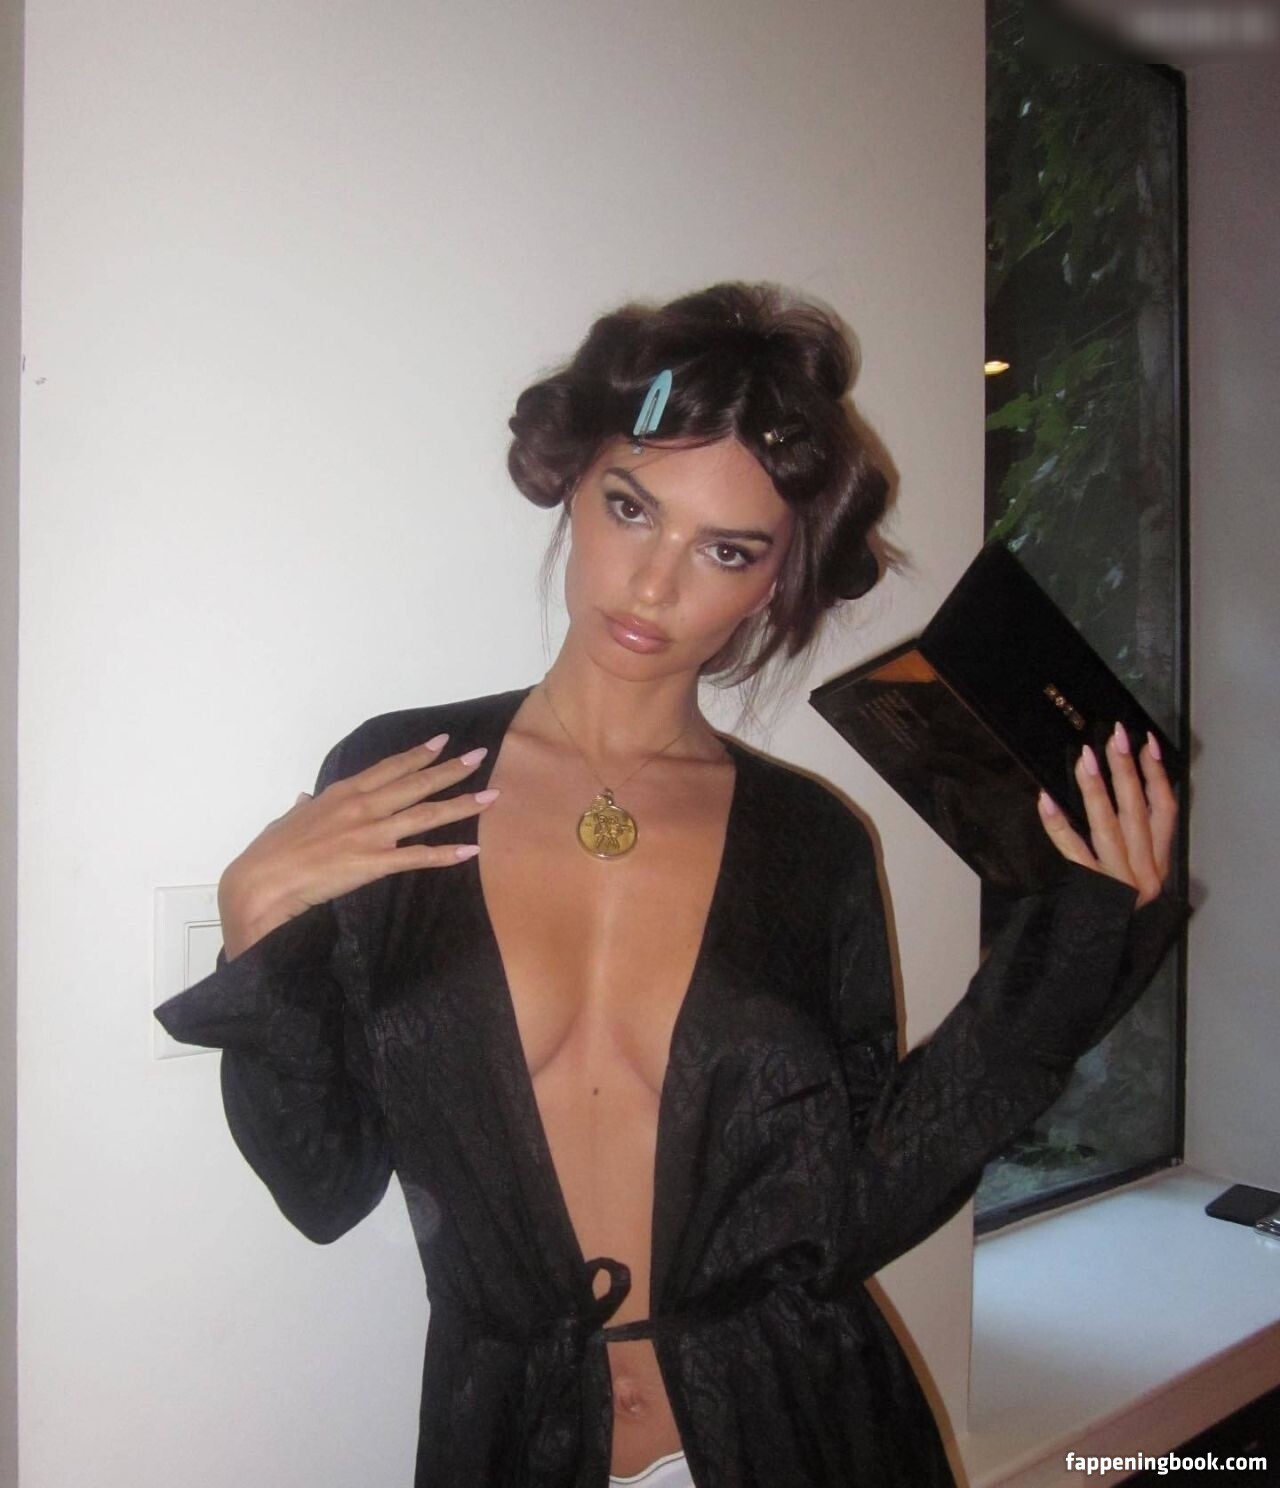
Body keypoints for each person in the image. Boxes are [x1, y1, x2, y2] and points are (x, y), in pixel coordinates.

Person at [155, 282, 1180, 1488]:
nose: (653, 585)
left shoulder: (807, 843)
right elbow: (321, 1184)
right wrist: (255, 922)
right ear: (575, 486)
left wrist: (1068, 959)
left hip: (799, 1428)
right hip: (514, 1441)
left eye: (725, 549)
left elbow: (851, 1205)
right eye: (631, 507)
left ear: (775, 583)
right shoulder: (404, 779)